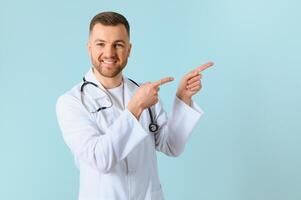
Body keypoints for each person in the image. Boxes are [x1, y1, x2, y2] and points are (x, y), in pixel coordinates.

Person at [56, 11, 213, 200]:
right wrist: (136, 107)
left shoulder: (143, 92)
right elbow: (100, 160)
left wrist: (183, 98)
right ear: (89, 48)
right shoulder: (72, 102)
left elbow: (171, 146)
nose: (109, 53)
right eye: (101, 44)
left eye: (118, 45)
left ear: (129, 50)